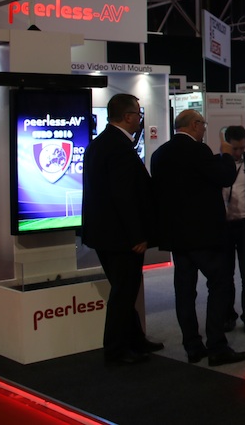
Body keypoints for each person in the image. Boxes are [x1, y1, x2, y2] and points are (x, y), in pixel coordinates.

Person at [151, 109, 245, 367]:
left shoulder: (159, 154)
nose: (204, 129)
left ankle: (192, 346)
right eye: (203, 124)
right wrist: (225, 155)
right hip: (204, 235)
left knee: (184, 292)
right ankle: (217, 346)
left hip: (176, 237)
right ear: (194, 125)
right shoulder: (198, 151)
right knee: (220, 284)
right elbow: (225, 177)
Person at [81, 93, 162, 365]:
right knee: (123, 293)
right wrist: (137, 235)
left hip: (105, 234)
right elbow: (123, 196)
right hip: (121, 237)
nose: (140, 119)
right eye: (138, 114)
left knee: (125, 289)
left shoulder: (101, 143)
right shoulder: (118, 147)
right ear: (128, 117)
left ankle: (135, 339)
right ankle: (115, 350)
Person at [220, 125, 245, 335]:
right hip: (224, 227)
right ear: (226, 144)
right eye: (234, 148)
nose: (238, 152)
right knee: (225, 276)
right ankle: (228, 316)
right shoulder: (217, 163)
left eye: (242, 148)